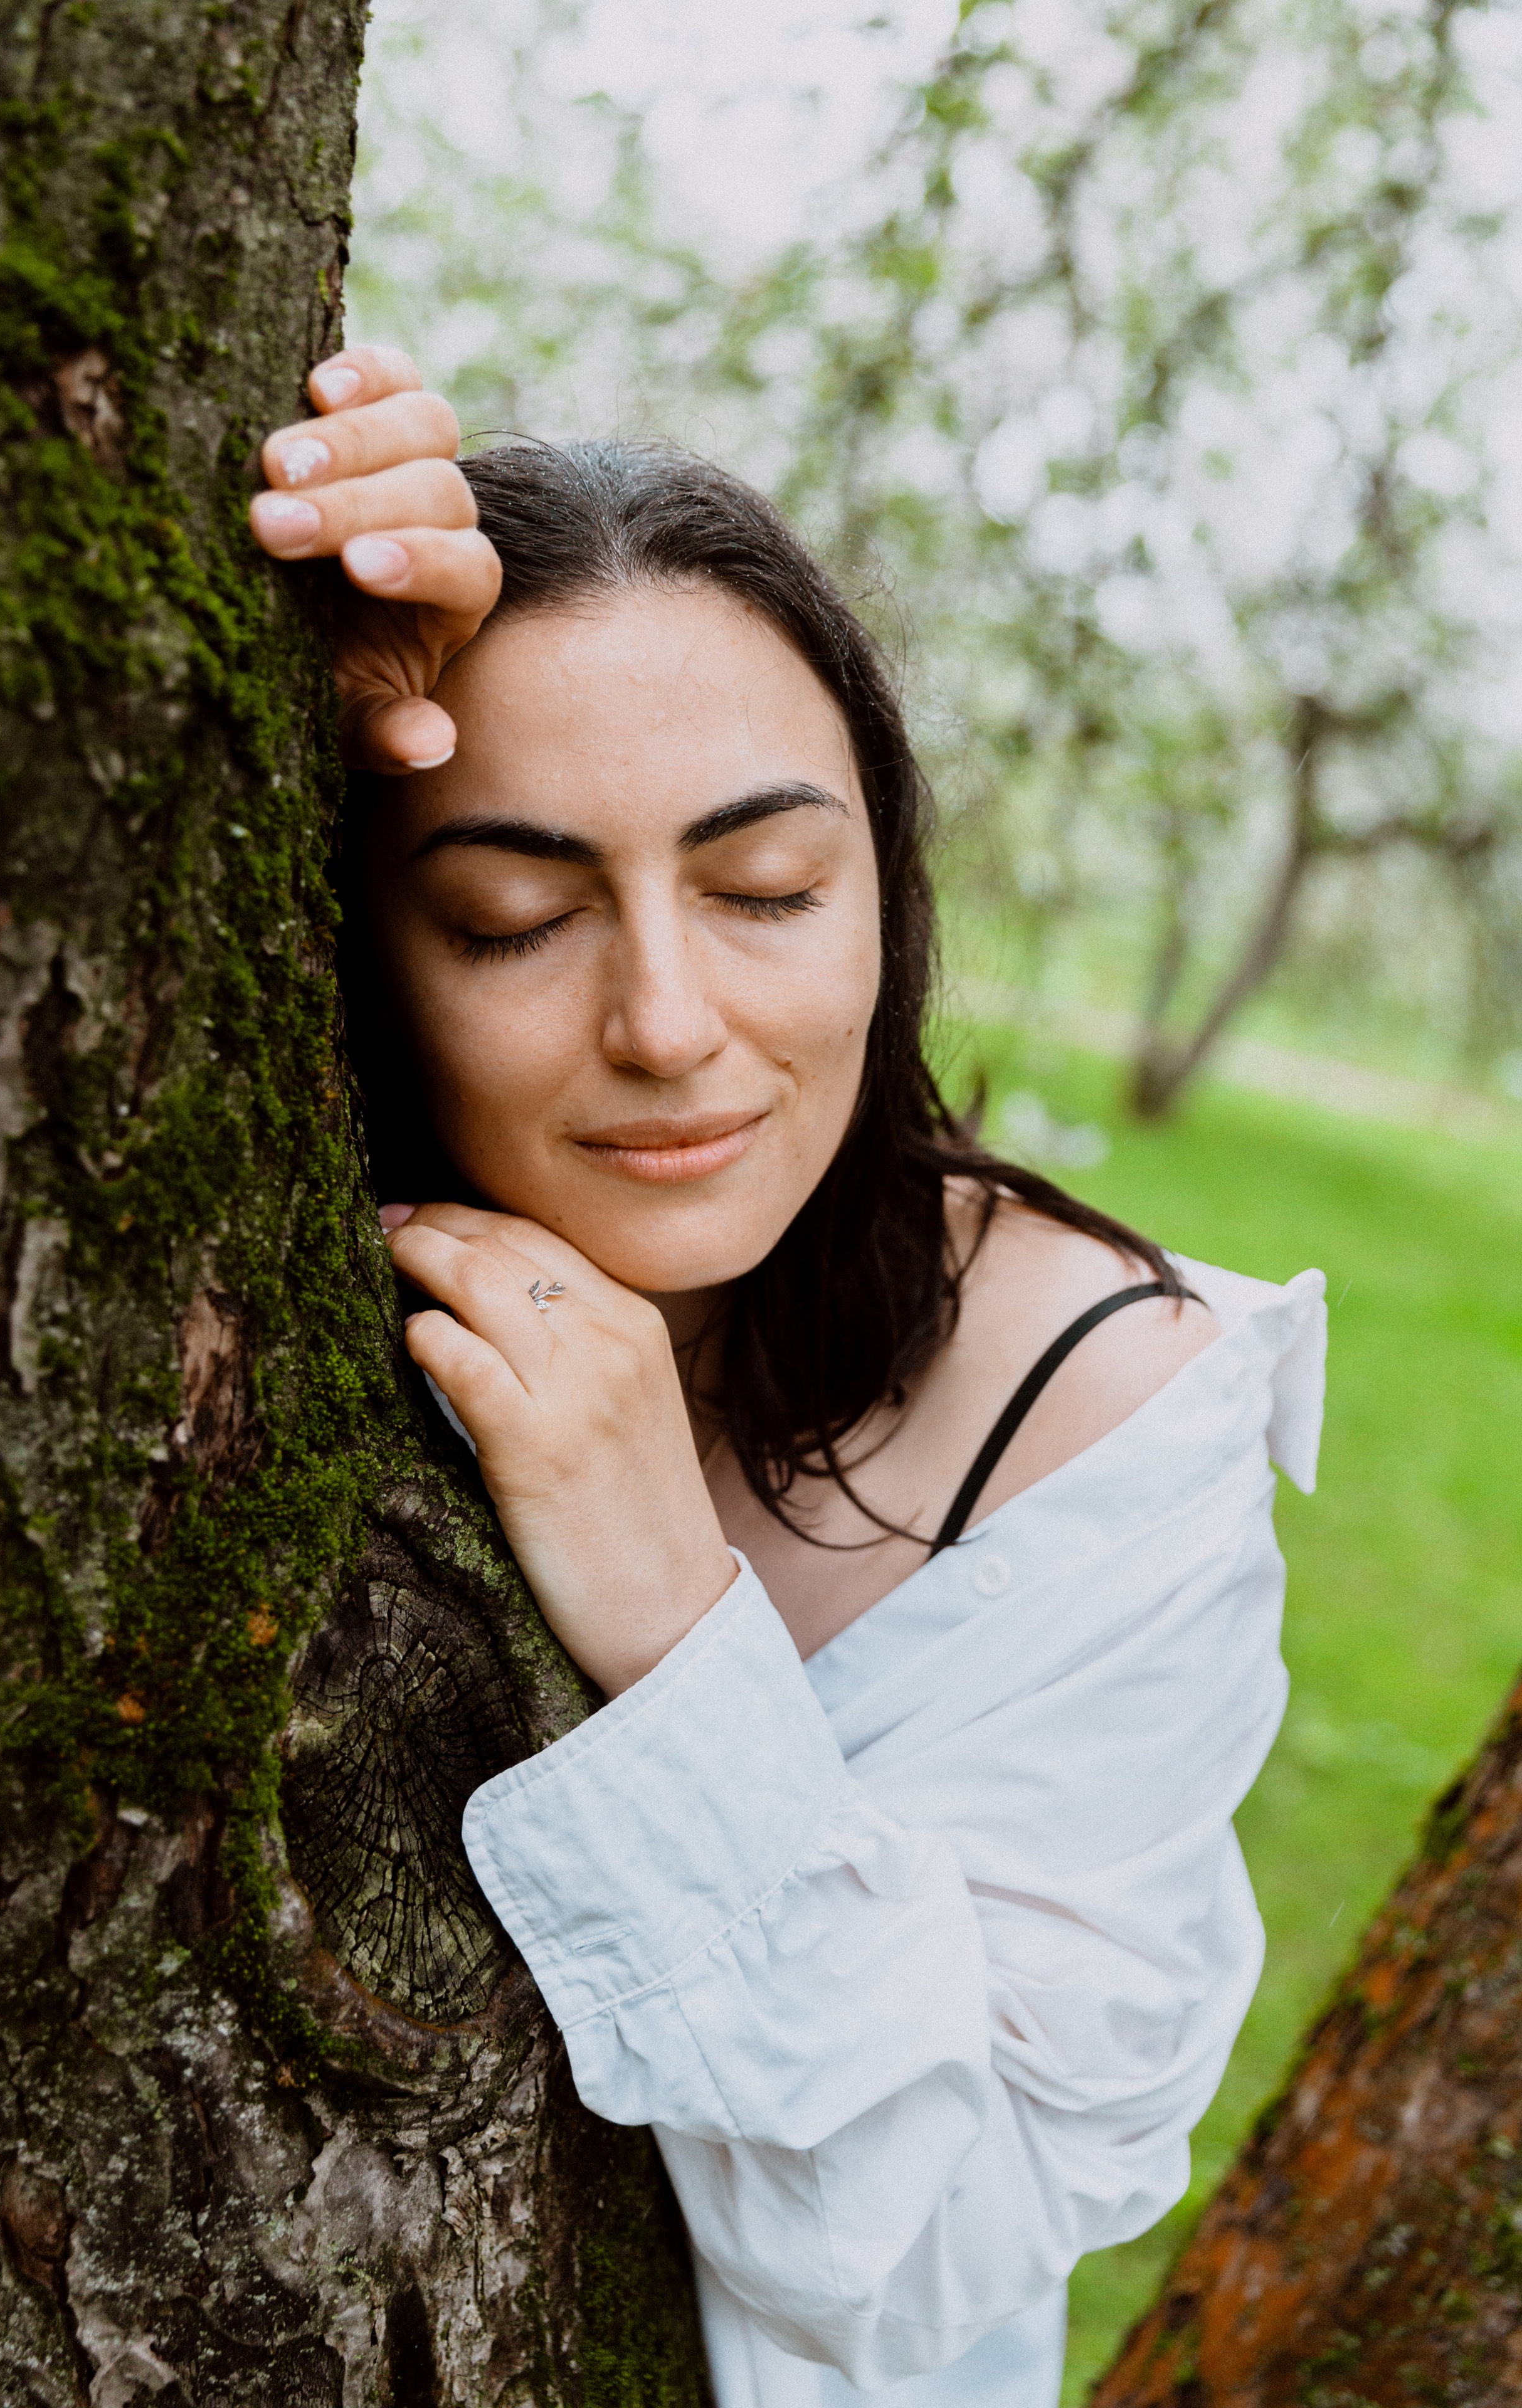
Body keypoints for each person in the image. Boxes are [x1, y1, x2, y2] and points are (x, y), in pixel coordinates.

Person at [250, 347, 1326, 2408]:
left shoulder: (1109, 1424)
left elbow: (934, 2255)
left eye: (766, 892)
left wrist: (677, 1628)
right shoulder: (263, 1292)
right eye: (511, 917)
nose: (669, 1023)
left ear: (885, 900)